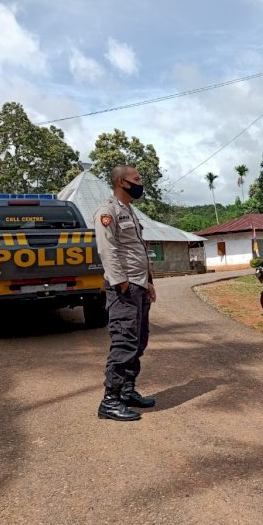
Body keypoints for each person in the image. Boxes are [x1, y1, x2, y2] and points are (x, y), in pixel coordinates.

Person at [94, 165, 157, 421]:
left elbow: (137, 251)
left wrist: (148, 282)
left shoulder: (130, 211)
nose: (141, 182)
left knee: (139, 341)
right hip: (125, 288)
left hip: (139, 285)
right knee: (124, 343)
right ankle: (109, 401)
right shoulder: (107, 211)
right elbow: (107, 250)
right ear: (122, 182)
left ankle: (127, 391)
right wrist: (122, 283)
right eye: (137, 179)